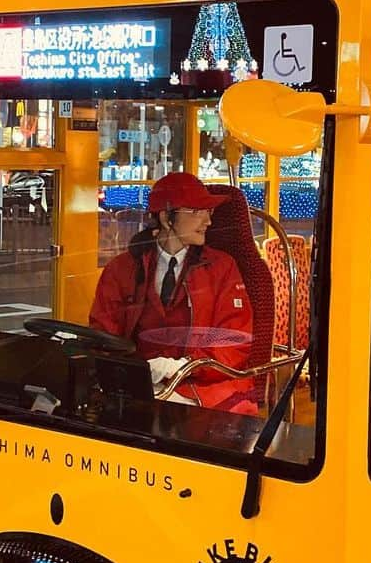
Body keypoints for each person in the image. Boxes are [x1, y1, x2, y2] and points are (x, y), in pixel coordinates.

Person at [89, 171, 257, 414]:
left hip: (206, 385)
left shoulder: (222, 267)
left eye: (208, 212)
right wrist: (129, 370)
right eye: (197, 212)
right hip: (140, 385)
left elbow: (233, 341)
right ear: (167, 217)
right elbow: (103, 334)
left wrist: (181, 367)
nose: (208, 222)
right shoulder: (122, 268)